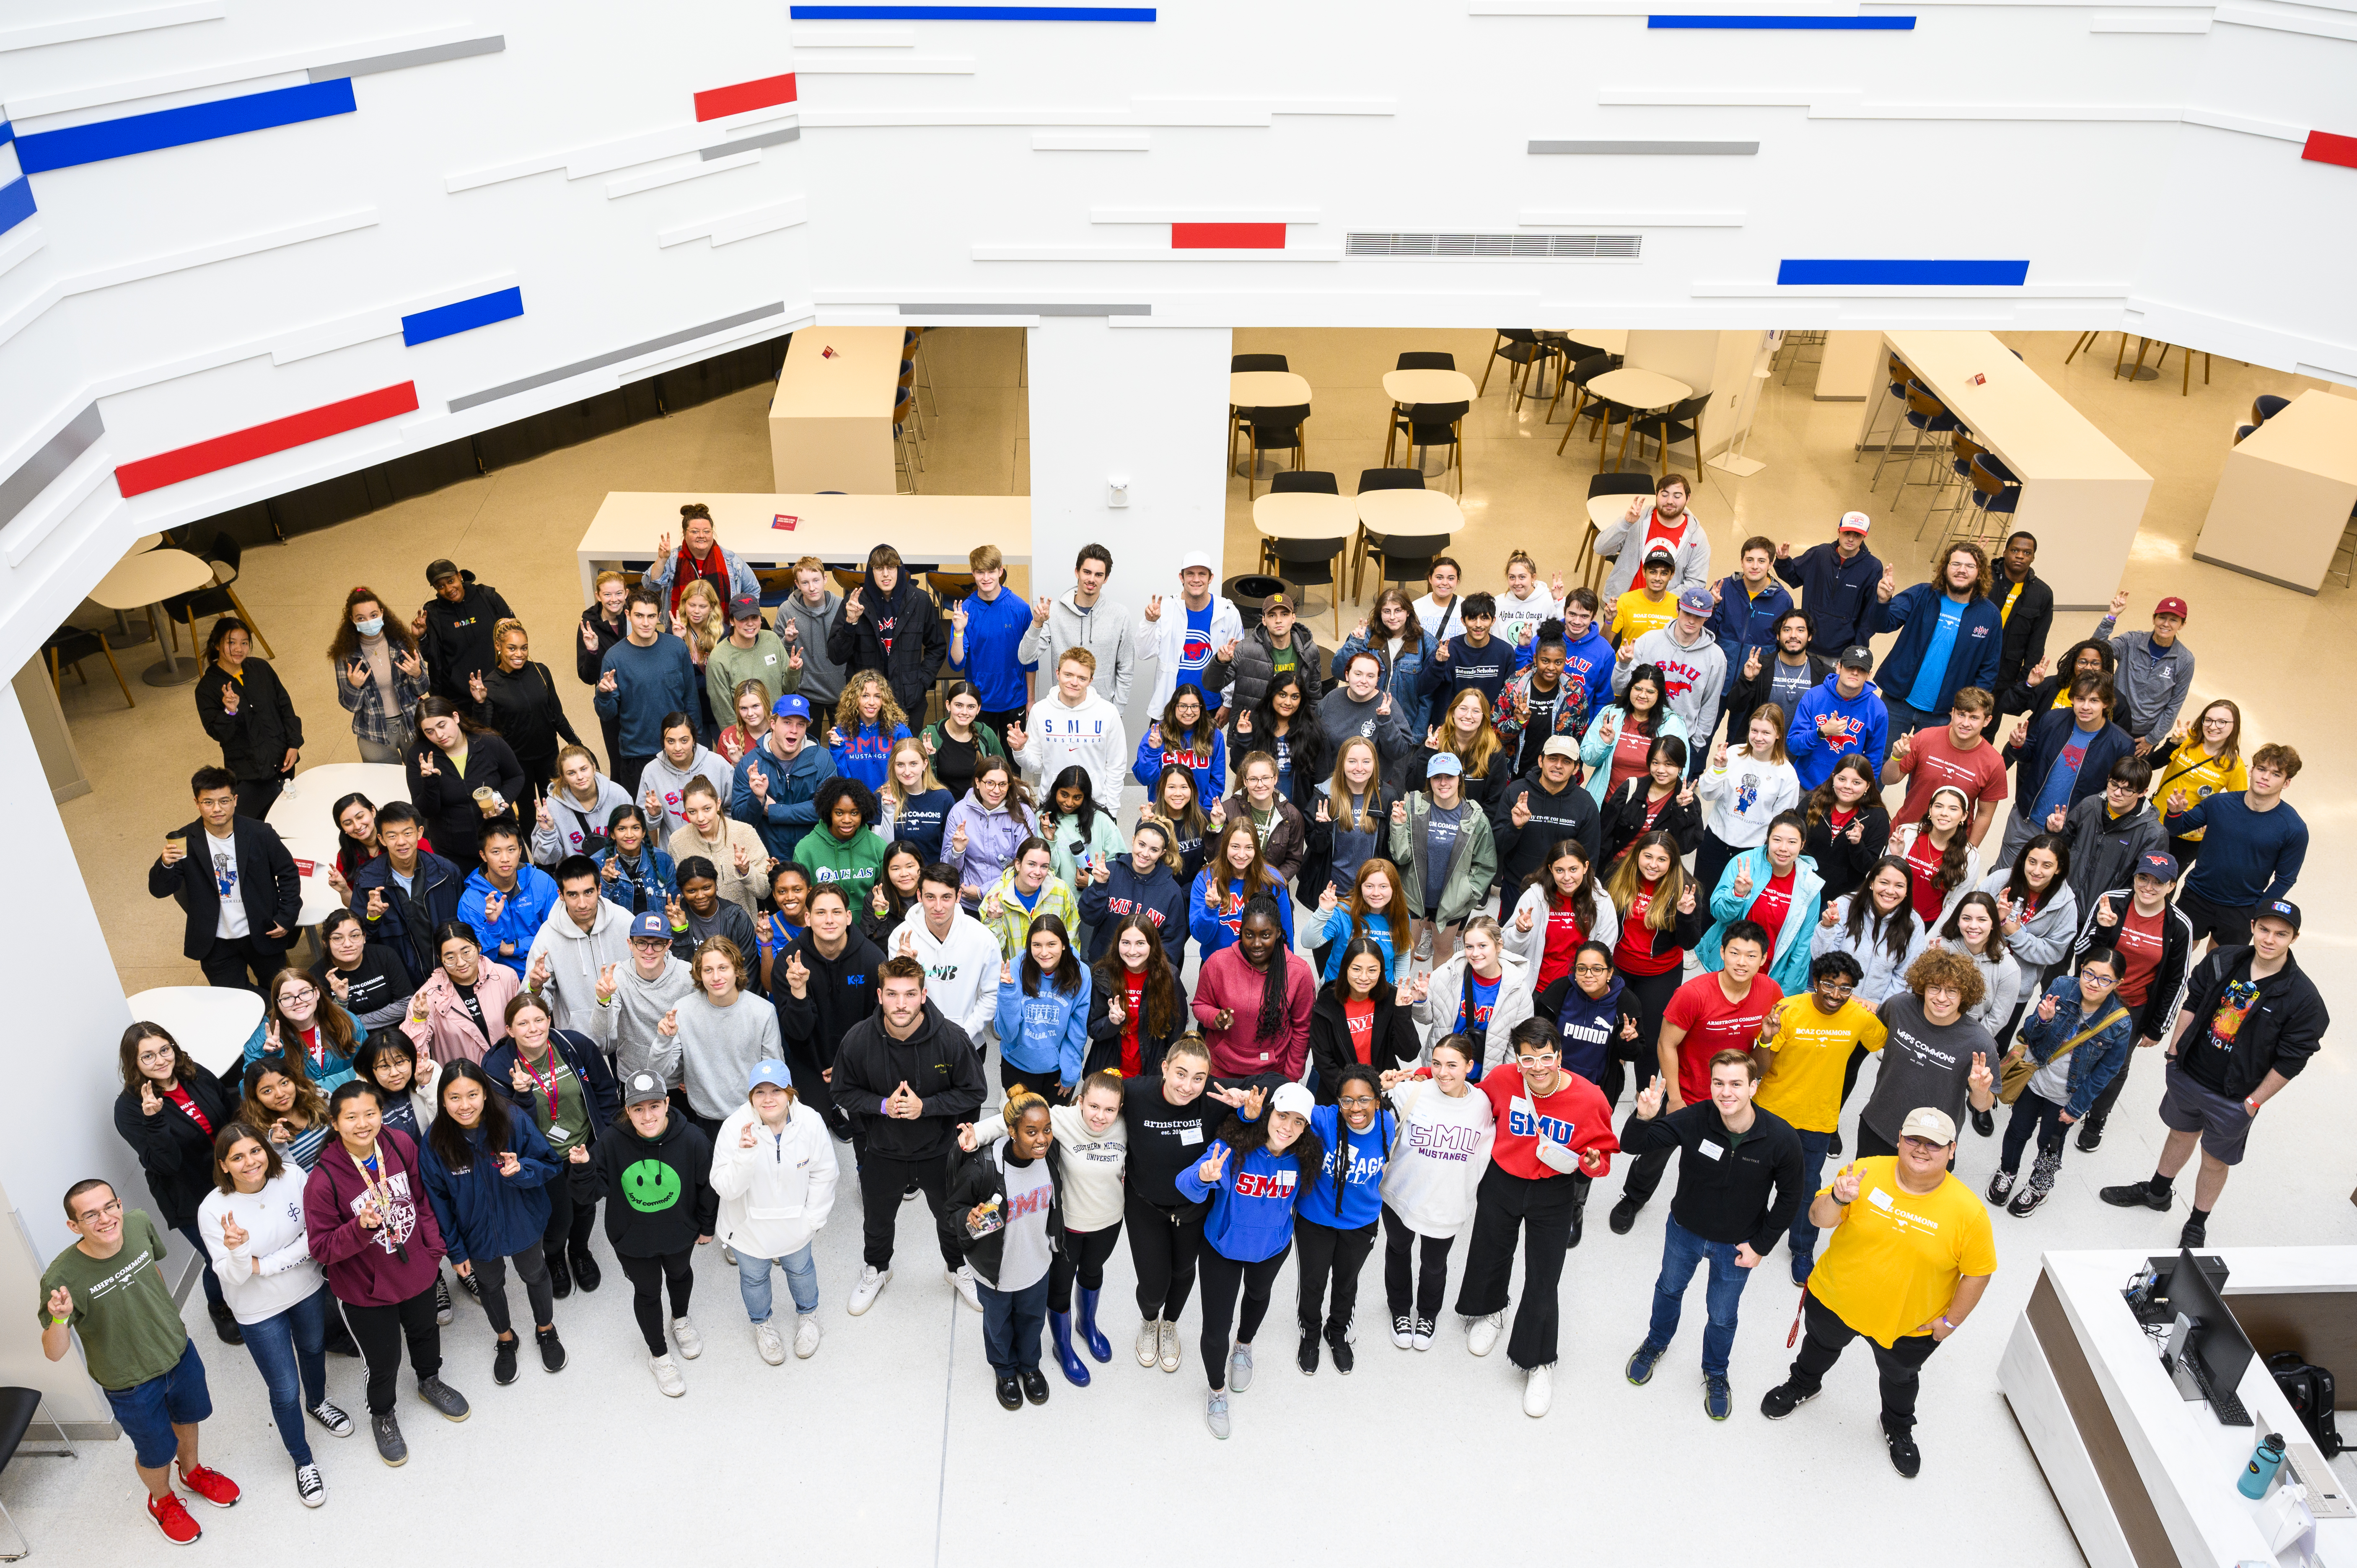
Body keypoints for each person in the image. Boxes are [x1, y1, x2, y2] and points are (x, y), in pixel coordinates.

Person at [1759, 1106, 1996, 1479]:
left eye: (1933, 1144)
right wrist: (1838, 1199)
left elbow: (1978, 1274)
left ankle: (1898, 1427)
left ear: (1952, 1150)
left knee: (1901, 1379)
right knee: (1818, 1346)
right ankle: (1802, 1385)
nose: (1921, 1149)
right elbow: (1817, 1220)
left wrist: (1950, 1322)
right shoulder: (1863, 1174)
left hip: (1907, 1325)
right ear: (1899, 1140)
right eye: (1914, 1139)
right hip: (1836, 1300)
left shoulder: (1969, 1212)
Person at [2100, 900, 2324, 1247]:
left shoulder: (2304, 999)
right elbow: (2192, 1003)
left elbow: (2292, 1060)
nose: (2270, 940)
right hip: (2190, 1072)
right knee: (2180, 1134)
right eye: (2264, 929)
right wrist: (2174, 1054)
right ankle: (2158, 1192)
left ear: (2294, 938)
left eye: (2281, 934)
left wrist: (2252, 1103)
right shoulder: (2223, 960)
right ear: (2252, 926)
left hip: (2236, 1095)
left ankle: (2197, 1221)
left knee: (2216, 1160)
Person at [42, 1180, 241, 1542]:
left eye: (109, 1206)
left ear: (119, 1204)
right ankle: (162, 1501)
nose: (105, 1219)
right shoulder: (62, 1278)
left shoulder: (136, 1223)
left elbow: (152, 1272)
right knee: (156, 1451)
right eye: (90, 1215)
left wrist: (164, 1320)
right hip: (129, 1382)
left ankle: (192, 1473)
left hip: (177, 1353)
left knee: (189, 1419)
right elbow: (54, 1353)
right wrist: (59, 1319)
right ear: (75, 1226)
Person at [1620, 1051, 1804, 1418]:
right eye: (1719, 1083)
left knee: (1722, 1316)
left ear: (1754, 1086)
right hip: (1685, 1231)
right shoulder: (1695, 1119)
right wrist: (1643, 1116)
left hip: (1737, 1246)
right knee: (1669, 1290)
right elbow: (1633, 1144)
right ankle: (1656, 1343)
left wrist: (1761, 1247)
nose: (1726, 1092)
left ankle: (1716, 1372)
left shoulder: (1781, 1138)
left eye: (1736, 1084)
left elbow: (1790, 1198)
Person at [1456, 1019, 1617, 1417]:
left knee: (1545, 1276)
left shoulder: (1590, 1097)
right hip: (1504, 1179)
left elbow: (1603, 1158)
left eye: (1547, 1058)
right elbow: (1467, 1094)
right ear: (1517, 1059)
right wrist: (1426, 1074)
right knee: (1489, 1250)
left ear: (1560, 1056)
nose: (1539, 1067)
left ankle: (1540, 1361)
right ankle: (1491, 1309)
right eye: (1529, 1059)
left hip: (1554, 1190)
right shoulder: (1502, 1079)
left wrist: (1593, 1164)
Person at [303, 1080, 469, 1465]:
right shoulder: (323, 1180)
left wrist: (433, 1250)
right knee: (383, 1361)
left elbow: (422, 1199)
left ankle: (430, 1381)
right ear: (335, 1122)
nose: (363, 1124)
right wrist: (359, 1228)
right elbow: (322, 1248)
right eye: (352, 1117)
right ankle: (383, 1415)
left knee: (426, 1334)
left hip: (417, 1270)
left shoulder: (398, 1144)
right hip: (367, 1289)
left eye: (371, 1113)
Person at [199, 1123, 348, 1508]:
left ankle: (318, 1404)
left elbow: (313, 1235)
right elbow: (233, 1275)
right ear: (224, 1165)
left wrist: (263, 1266)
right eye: (238, 1157)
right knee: (283, 1389)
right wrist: (237, 1253)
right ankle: (303, 1461)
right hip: (257, 1309)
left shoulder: (293, 1177)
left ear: (267, 1150)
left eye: (256, 1151)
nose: (250, 1162)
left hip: (306, 1287)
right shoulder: (214, 1209)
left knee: (314, 1348)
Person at [831, 956, 989, 1314]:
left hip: (939, 1151)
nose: (901, 1003)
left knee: (951, 1217)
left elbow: (975, 1091)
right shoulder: (858, 1040)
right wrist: (882, 1106)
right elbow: (841, 1092)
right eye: (892, 994)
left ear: (923, 995)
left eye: (909, 994)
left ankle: (957, 1268)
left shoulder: (952, 1038)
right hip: (883, 1151)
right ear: (880, 996)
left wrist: (927, 1107)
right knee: (877, 1219)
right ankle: (876, 1269)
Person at [1178, 1081, 1326, 1440]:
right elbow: (1185, 1183)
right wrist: (1203, 1176)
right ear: (1268, 1113)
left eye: (1298, 1122)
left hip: (1271, 1249)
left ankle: (1243, 1347)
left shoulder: (1303, 1157)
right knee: (1216, 1329)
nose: (1287, 1128)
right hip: (1223, 1249)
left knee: (1258, 1298)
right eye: (1282, 1116)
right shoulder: (1234, 1148)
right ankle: (1216, 1392)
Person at [1615, 921, 1785, 1233]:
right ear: (1722, 953)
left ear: (1763, 960)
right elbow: (1666, 1044)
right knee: (1656, 1154)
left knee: (1715, 1160)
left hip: (1732, 1100)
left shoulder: (1770, 991)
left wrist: (1767, 1039)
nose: (1742, 962)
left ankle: (1701, 1209)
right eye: (1735, 953)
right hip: (1688, 1095)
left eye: (1751, 956)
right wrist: (1676, 1100)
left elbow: (1759, 1066)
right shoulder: (1693, 993)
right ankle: (1633, 1197)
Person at [964, 1070, 1126, 1387]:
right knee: (1061, 1287)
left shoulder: (1124, 1127)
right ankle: (1062, 1346)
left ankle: (1087, 1326)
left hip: (1109, 1221)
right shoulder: (1062, 1119)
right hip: (1070, 1225)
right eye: (1094, 1106)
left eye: (1110, 1109)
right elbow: (1012, 1120)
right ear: (1081, 1101)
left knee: (1093, 1273)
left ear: (1120, 1109)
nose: (1101, 1116)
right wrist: (975, 1135)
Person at [565, 1069, 717, 1396]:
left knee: (680, 1274)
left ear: (666, 1103)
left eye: (654, 1107)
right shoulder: (610, 1142)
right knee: (647, 1293)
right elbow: (588, 1196)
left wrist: (707, 1226)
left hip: (680, 1233)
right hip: (632, 1238)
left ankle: (681, 1319)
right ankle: (659, 1355)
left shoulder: (692, 1139)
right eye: (637, 1109)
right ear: (627, 1111)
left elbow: (706, 1187)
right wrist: (582, 1169)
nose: (647, 1117)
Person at [419, 1060, 564, 1384]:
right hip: (476, 1234)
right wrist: (455, 1252)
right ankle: (505, 1338)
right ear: (442, 1100)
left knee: (534, 1273)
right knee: (490, 1285)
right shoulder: (434, 1143)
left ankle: (546, 1329)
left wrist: (522, 1170)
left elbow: (550, 1164)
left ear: (485, 1093)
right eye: (455, 1098)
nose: (465, 1105)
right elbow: (437, 1203)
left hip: (523, 1221)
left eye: (472, 1094)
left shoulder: (512, 1119)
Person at [1753, 952, 1887, 1282]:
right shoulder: (1790, 1010)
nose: (1835, 995)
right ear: (1815, 982)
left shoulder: (1858, 1016)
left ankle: (1802, 1249)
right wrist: (1767, 1037)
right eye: (1829, 984)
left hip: (1819, 1121)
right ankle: (1751, 1233)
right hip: (1772, 1114)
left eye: (1845, 988)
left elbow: (1889, 1045)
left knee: (1806, 1189)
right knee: (1755, 1179)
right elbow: (1758, 1068)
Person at [114, 1023, 242, 1346]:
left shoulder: (193, 1073)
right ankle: (220, 1307)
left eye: (164, 1050)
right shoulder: (129, 1107)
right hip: (189, 1193)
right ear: (134, 1063)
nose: (160, 1061)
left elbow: (230, 1113)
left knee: (243, 1241)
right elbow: (165, 1164)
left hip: (232, 1178)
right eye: (148, 1057)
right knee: (217, 1257)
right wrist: (153, 1119)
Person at [484, 991, 617, 1300]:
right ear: (509, 1030)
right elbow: (510, 1130)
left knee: (585, 1207)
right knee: (558, 1219)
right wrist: (523, 1096)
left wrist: (607, 1138)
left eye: (539, 1020)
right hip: (544, 1159)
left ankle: (581, 1252)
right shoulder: (499, 1068)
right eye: (523, 1023)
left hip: (584, 1148)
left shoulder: (572, 1045)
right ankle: (555, 1259)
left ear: (549, 1019)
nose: (533, 1029)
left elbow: (605, 1090)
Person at [709, 1058, 837, 1366]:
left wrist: (812, 1221)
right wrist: (744, 1155)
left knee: (801, 1270)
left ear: (790, 1093)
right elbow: (725, 1188)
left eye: (776, 1091)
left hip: (796, 1226)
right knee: (754, 1279)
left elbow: (825, 1173)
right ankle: (762, 1325)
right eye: (760, 1092)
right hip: (748, 1230)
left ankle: (808, 1318)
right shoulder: (733, 1128)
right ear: (751, 1097)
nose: (768, 1099)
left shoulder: (810, 1122)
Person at [1987, 949, 2133, 1216]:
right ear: (2081, 969)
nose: (2093, 983)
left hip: (2067, 1095)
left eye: (2104, 979)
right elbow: (2030, 1032)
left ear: (2117, 984)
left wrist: (2078, 1107)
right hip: (2034, 1080)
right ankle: (2007, 1171)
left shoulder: (2120, 1023)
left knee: (2050, 1143)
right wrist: (2043, 1020)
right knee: (2018, 1130)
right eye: (2089, 973)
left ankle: (2038, 1187)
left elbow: (2108, 1071)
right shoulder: (2062, 987)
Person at [944, 1085, 1065, 1408]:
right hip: (995, 1273)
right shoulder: (983, 1169)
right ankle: (1005, 1371)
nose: (1042, 1139)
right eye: (1031, 1132)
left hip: (1037, 1266)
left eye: (1047, 1129)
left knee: (1032, 1320)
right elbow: (952, 1211)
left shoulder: (1049, 1156)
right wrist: (966, 1217)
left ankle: (1030, 1366)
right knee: (998, 1325)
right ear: (1011, 1131)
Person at [1377, 1035, 1495, 1348]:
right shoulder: (1412, 1091)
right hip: (1402, 1197)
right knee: (1399, 1251)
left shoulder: (1482, 1104)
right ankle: (1400, 1311)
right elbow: (1362, 1105)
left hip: (1446, 1204)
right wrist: (1380, 1085)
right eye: (1437, 1064)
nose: (1443, 1073)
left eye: (1453, 1065)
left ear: (1470, 1067)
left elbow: (1483, 1154)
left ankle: (1428, 1314)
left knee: (1434, 1265)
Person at [2072, 851, 2195, 1151]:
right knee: (2073, 1049)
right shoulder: (2111, 902)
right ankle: (2062, 1103)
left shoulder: (2179, 926)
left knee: (2116, 1065)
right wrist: (2103, 929)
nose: (2149, 887)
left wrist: (2158, 1028)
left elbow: (2176, 981)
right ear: (2135, 876)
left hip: (2134, 1008)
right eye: (2144, 878)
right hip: (2091, 995)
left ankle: (2096, 1118)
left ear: (2171, 886)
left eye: (2159, 882)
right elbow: (2080, 949)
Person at [1122, 1040, 1226, 1373]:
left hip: (1193, 1209)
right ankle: (1150, 1319)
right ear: (1165, 1068)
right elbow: (1094, 1101)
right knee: (1153, 1286)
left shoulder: (1212, 1100)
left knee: (1183, 1272)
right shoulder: (1136, 1093)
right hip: (1145, 1206)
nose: (1188, 1086)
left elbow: (1271, 1085)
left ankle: (1170, 1324)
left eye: (1199, 1078)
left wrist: (1247, 1108)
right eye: (1181, 1074)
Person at [1283, 1063, 1394, 1377]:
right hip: (1315, 1220)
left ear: (1376, 1100)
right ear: (1338, 1102)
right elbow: (1286, 1106)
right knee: (1313, 1282)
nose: (1355, 1108)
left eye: (1363, 1100)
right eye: (1347, 1100)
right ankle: (1310, 1334)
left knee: (1346, 1283)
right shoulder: (1324, 1118)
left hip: (1361, 1224)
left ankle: (1338, 1332)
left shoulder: (1388, 1122)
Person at [150, 767, 299, 993]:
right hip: (215, 940)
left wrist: (286, 916)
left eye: (224, 801)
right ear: (197, 803)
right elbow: (160, 890)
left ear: (235, 800)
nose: (217, 809)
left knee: (281, 991)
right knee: (234, 999)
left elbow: (288, 872)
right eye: (208, 802)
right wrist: (166, 864)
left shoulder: (260, 833)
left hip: (262, 930)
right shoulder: (185, 840)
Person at [2161, 743, 2306, 952]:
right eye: (2262, 769)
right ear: (2251, 770)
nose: (2265, 777)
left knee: (2220, 969)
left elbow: (2286, 878)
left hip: (2242, 910)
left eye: (2276, 774)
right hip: (2196, 896)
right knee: (2173, 956)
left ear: (2287, 783)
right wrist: (2174, 812)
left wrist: (2258, 910)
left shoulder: (2294, 828)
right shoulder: (2218, 804)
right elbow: (2177, 828)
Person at [1857, 951, 1998, 1160]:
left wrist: (1979, 1091)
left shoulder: (1980, 1043)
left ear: (1965, 995)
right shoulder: (1898, 1007)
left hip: (1934, 1145)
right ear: (1923, 987)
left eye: (1952, 991)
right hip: (1879, 1126)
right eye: (1935, 988)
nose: (1941, 998)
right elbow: (1870, 1035)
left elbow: (1983, 1105)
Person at [1603, 831, 1705, 1107]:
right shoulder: (1618, 877)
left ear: (1673, 864)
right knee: (1614, 1028)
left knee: (1648, 1036)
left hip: (1659, 974)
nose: (1653, 864)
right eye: (1648, 856)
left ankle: (1643, 1094)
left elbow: (1689, 943)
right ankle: (1608, 1083)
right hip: (1619, 969)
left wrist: (1685, 916)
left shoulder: (1686, 890)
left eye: (1662, 859)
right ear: (1638, 856)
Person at [1995, 673, 2132, 869]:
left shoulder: (2121, 744)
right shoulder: (2053, 719)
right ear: (2072, 699)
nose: (2086, 707)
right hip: (2026, 820)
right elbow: (2028, 756)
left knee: (2042, 890)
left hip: (2068, 834)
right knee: (2004, 876)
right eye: (2080, 699)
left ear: (2107, 704)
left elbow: (2112, 794)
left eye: (2094, 701)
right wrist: (2018, 746)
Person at [1866, 541, 2001, 738]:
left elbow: (1989, 669)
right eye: (1956, 564)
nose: (1962, 570)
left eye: (1970, 566)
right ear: (1945, 567)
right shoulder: (1922, 594)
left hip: (1944, 713)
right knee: (1881, 760)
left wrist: (1968, 709)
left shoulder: (1990, 616)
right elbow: (1882, 625)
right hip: (1897, 701)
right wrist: (1883, 601)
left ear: (1980, 573)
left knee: (1927, 768)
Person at [1194, 898, 1316, 1089]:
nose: (1256, 943)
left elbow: (1303, 1030)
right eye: (1249, 934)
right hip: (1221, 1071)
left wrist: (1290, 1080)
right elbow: (1200, 1005)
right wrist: (1214, 1017)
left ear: (1278, 933)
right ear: (1241, 932)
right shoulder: (1218, 963)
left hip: (1272, 1076)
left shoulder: (1298, 972)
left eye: (1265, 935)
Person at [1698, 812, 1823, 996]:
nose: (1783, 848)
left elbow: (1803, 945)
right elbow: (1718, 913)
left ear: (1802, 845)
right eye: (1777, 840)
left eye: (1792, 842)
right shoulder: (1744, 864)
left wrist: (1787, 993)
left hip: (1769, 978)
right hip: (1727, 967)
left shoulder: (1810, 885)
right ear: (1768, 838)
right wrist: (1737, 894)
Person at [1393, 752, 1496, 965]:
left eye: (1449, 777)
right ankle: (1400, 996)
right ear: (1429, 780)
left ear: (1460, 778)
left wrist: (1467, 892)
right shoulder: (1412, 807)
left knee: (1443, 949)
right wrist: (1399, 826)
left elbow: (1485, 865)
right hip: (1414, 897)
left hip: (1451, 903)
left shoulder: (1475, 818)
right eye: (1437, 777)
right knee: (1405, 948)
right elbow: (1401, 858)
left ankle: (1437, 998)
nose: (1443, 783)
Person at [595, 588, 699, 798]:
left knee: (685, 815)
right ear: (628, 615)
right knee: (643, 820)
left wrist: (697, 743)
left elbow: (691, 700)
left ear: (659, 617)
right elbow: (607, 715)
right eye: (639, 616)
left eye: (651, 616)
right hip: (637, 754)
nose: (645, 623)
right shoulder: (614, 657)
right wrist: (604, 695)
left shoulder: (676, 647)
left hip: (678, 750)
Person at [464, 620, 583, 805]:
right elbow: (483, 731)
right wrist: (479, 702)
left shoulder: (541, 671)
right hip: (517, 763)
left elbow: (557, 715)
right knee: (528, 813)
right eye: (512, 648)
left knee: (557, 806)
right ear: (498, 646)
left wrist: (578, 745)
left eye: (524, 648)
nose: (519, 654)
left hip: (549, 756)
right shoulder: (490, 685)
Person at [194, 618, 301, 818]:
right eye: (231, 642)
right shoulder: (206, 689)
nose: (239, 649)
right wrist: (230, 711)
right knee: (258, 823)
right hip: (250, 773)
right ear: (216, 645)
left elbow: (285, 707)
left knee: (288, 816)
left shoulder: (261, 668)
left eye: (244, 643)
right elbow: (218, 733)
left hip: (283, 760)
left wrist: (294, 744)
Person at [827, 542, 946, 721]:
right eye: (878, 568)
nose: (885, 574)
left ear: (900, 569)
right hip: (865, 702)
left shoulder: (920, 601)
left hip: (908, 700)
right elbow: (836, 657)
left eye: (891, 567)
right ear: (870, 571)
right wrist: (850, 623)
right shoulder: (853, 603)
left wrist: (921, 682)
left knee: (906, 749)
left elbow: (937, 647)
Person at [887, 864, 1001, 1049]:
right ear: (919, 896)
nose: (938, 907)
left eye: (946, 897)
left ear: (958, 897)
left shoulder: (983, 938)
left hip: (969, 1042)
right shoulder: (902, 938)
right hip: (918, 1042)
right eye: (930, 897)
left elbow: (992, 994)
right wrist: (900, 970)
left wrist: (965, 1032)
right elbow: (898, 997)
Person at [406, 695, 526, 869]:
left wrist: (502, 800)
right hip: (454, 852)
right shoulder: (420, 756)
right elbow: (425, 811)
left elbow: (516, 776)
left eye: (442, 725)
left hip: (502, 842)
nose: (439, 735)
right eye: (429, 732)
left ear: (455, 717)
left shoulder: (489, 742)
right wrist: (431, 782)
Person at [1694, 705, 1802, 898]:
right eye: (1754, 731)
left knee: (1738, 908)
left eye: (1766, 733)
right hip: (1715, 843)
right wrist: (1718, 769)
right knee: (1702, 902)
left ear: (1778, 735)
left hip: (1752, 853)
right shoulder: (1734, 754)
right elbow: (1708, 794)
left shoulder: (1787, 774)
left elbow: (1782, 824)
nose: (1758, 738)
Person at [588, 910, 697, 1095]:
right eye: (642, 943)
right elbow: (601, 1031)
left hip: (676, 1081)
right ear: (630, 944)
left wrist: (695, 1075)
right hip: (633, 1078)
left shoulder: (688, 976)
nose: (649, 951)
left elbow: (699, 1031)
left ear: (669, 945)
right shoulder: (618, 977)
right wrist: (604, 999)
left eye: (657, 944)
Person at [1978, 832, 2081, 1029]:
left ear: (2059, 869)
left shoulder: (2066, 905)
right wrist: (1992, 918)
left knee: (1994, 1050)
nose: (2037, 871)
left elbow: (2054, 952)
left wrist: (2016, 935)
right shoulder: (1999, 880)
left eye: (2047, 865)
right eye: (2032, 862)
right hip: (1974, 975)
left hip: (2015, 991)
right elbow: (1966, 919)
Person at [1883, 688, 2007, 849]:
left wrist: (1969, 852)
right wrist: (1896, 758)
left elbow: (1985, 815)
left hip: (1952, 847)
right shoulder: (1925, 738)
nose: (1966, 723)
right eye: (1961, 715)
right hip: (1905, 835)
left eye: (1974, 718)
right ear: (1953, 713)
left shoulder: (1994, 763)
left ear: (1987, 721)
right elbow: (1888, 779)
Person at [1613, 585, 1725, 763]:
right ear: (1677, 608)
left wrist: (1696, 744)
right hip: (1639, 732)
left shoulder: (1716, 657)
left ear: (1707, 618)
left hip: (1681, 740)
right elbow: (1620, 688)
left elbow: (1710, 704)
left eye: (1699, 617)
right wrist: (1624, 665)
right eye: (1687, 613)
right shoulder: (1648, 641)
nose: (1692, 621)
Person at [1020, 541, 1136, 711]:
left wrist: (1117, 710)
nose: (1091, 579)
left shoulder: (1120, 615)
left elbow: (1126, 669)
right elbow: (1026, 658)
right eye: (1087, 572)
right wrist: (1037, 624)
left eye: (1098, 575)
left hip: (1102, 709)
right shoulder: (1054, 612)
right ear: (1077, 572)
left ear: (1106, 578)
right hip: (1062, 707)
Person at [1414, 915, 1533, 1074]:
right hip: (1443, 1072)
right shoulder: (1448, 974)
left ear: (1499, 945)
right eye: (1469, 947)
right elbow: (1428, 1019)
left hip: (1486, 1076)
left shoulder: (1517, 989)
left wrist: (1504, 1079)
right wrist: (1421, 1002)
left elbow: (1518, 1045)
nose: (1475, 953)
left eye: (1482, 946)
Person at [1490, 735, 1604, 897]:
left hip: (1563, 893)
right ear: (1541, 761)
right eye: (1553, 758)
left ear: (1576, 768)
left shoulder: (1586, 804)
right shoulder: (1516, 792)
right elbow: (1497, 846)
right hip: (1517, 888)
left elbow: (1589, 860)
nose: (1558, 766)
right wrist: (1515, 827)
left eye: (1567, 761)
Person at [732, 692, 839, 863]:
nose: (794, 730)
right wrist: (757, 799)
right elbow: (741, 821)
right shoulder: (749, 764)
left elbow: (826, 810)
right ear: (773, 723)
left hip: (814, 859)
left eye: (801, 724)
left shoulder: (822, 759)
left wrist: (774, 811)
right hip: (767, 861)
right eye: (787, 722)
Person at [1309, 937, 1422, 1094]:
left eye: (1372, 970)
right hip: (1342, 1093)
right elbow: (1324, 1062)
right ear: (1345, 968)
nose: (1364, 977)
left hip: (1385, 1090)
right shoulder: (1327, 1002)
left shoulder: (1391, 998)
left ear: (1381, 971)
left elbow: (1409, 1054)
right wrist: (1360, 1091)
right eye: (1356, 969)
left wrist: (1402, 1012)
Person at [2056, 756, 2165, 919]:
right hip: (2059, 903)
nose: (2117, 793)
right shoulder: (2090, 805)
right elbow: (2062, 849)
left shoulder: (2153, 834)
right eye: (2114, 784)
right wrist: (2056, 832)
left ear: (2143, 793)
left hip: (2100, 917)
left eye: (2128, 790)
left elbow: (2144, 885)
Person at [1140, 548, 1244, 717]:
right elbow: (1144, 653)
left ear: (1211, 578)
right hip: (1171, 706)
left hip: (1210, 707)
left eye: (1202, 574)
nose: (1196, 580)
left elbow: (1238, 662)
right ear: (1181, 577)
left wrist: (1228, 703)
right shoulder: (1164, 609)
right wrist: (1149, 623)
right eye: (1190, 574)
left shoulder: (1228, 612)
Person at [994, 913, 1092, 1095]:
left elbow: (1077, 1031)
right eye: (1037, 945)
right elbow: (1007, 1034)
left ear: (1064, 945)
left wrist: (1070, 1073)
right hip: (1017, 1064)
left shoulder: (1081, 973)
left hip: (1057, 1070)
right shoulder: (1015, 968)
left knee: (1054, 1124)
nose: (1044, 952)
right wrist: (1008, 994)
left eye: (1051, 944)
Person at [1813, 857, 1929, 1009]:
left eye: (1899, 886)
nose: (1890, 891)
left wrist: (1881, 1008)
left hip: (1877, 1011)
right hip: (1835, 1000)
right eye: (1884, 883)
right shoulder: (1845, 905)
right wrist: (1827, 928)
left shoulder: (1914, 924)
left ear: (1907, 891)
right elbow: (1822, 960)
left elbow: (1905, 977)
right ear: (1872, 883)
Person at [400, 921, 518, 1068]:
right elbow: (414, 1055)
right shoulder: (427, 998)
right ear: (440, 959)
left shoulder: (505, 977)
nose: (461, 962)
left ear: (478, 946)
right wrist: (418, 1021)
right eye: (451, 958)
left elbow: (522, 1026)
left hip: (511, 1074)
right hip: (463, 1083)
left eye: (466, 952)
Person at [1082, 913, 1187, 1077]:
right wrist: (1111, 1022)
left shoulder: (1169, 977)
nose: (1132, 951)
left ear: (1152, 945)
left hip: (1150, 1076)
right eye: (1126, 943)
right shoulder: (1103, 975)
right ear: (1117, 944)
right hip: (1109, 1074)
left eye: (1140, 944)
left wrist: (1167, 1076)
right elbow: (1093, 1030)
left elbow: (1176, 1035)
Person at [2090, 591, 2195, 756]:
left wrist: (2152, 739)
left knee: (2127, 780)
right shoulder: (2132, 641)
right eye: (2162, 618)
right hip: (2111, 720)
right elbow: (2096, 651)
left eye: (2174, 620)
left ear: (2182, 625)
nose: (2166, 624)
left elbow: (2174, 705)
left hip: (2143, 736)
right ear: (2154, 619)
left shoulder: (2185, 660)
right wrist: (2111, 617)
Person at [332, 586, 427, 763]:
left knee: (423, 778)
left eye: (374, 615)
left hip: (412, 724)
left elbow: (423, 687)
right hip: (373, 733)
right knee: (385, 785)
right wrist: (355, 687)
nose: (369, 621)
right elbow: (350, 706)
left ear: (382, 614)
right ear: (352, 620)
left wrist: (417, 674)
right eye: (361, 618)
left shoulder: (403, 641)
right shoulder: (346, 655)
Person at [2149, 699, 2246, 870]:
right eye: (2208, 720)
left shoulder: (2234, 765)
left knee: (2164, 881)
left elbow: (2239, 809)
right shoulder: (2188, 738)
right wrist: (2172, 744)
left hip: (2187, 837)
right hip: (2153, 820)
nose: (2213, 726)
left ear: (2234, 726)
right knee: (2130, 872)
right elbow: (2149, 766)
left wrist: (2215, 823)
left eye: (2222, 722)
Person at [1077, 818, 1189, 967]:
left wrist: (1153, 974)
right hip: (1105, 968)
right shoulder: (1109, 873)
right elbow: (1089, 917)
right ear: (1133, 840)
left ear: (1163, 853)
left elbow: (1172, 943)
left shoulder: (1172, 892)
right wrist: (1099, 886)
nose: (1145, 853)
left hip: (1146, 976)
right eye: (1141, 845)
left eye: (1154, 850)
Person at [1773, 512, 1882, 658]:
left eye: (1857, 535)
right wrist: (1784, 561)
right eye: (1847, 533)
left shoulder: (1873, 567)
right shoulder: (1819, 554)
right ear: (1839, 531)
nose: (1851, 539)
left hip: (1841, 652)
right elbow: (1794, 578)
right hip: (1808, 645)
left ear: (1864, 537)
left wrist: (1856, 652)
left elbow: (1870, 615)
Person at [1580, 662, 1689, 809]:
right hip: (1606, 803)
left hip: (1647, 807)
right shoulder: (1612, 714)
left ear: (1659, 694)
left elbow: (1681, 770)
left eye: (1650, 692)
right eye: (1638, 689)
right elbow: (1588, 759)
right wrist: (1604, 743)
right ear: (1630, 688)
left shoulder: (1672, 723)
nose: (1642, 696)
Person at [457, 822, 558, 978]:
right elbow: (478, 958)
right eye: (496, 852)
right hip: (501, 981)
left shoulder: (542, 882)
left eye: (511, 850)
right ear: (483, 855)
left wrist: (513, 948)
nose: (505, 859)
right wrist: (492, 925)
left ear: (520, 851)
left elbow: (558, 935)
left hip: (550, 970)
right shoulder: (471, 902)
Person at [1205, 589, 1324, 720]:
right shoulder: (1245, 650)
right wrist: (1221, 663)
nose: (1279, 620)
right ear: (1264, 620)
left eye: (1284, 615)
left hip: (1295, 729)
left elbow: (1314, 697)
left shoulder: (1310, 651)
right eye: (1272, 615)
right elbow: (1212, 686)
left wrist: (1309, 730)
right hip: (1253, 730)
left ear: (1293, 618)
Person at [242, 965, 365, 1090]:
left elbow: (369, 1063)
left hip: (349, 1101)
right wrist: (267, 1058)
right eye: (287, 997)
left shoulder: (345, 1020)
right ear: (278, 1003)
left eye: (305, 993)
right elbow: (247, 1091)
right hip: (300, 1107)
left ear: (317, 993)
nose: (298, 1001)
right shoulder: (264, 1037)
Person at [1787, 644, 1890, 792]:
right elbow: (1794, 746)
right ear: (1839, 667)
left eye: (1862, 670)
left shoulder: (1878, 710)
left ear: (1869, 675)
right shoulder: (1814, 696)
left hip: (1845, 792)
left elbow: (1874, 760)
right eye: (1850, 667)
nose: (1855, 673)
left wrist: (1862, 794)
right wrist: (1821, 732)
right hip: (1804, 785)